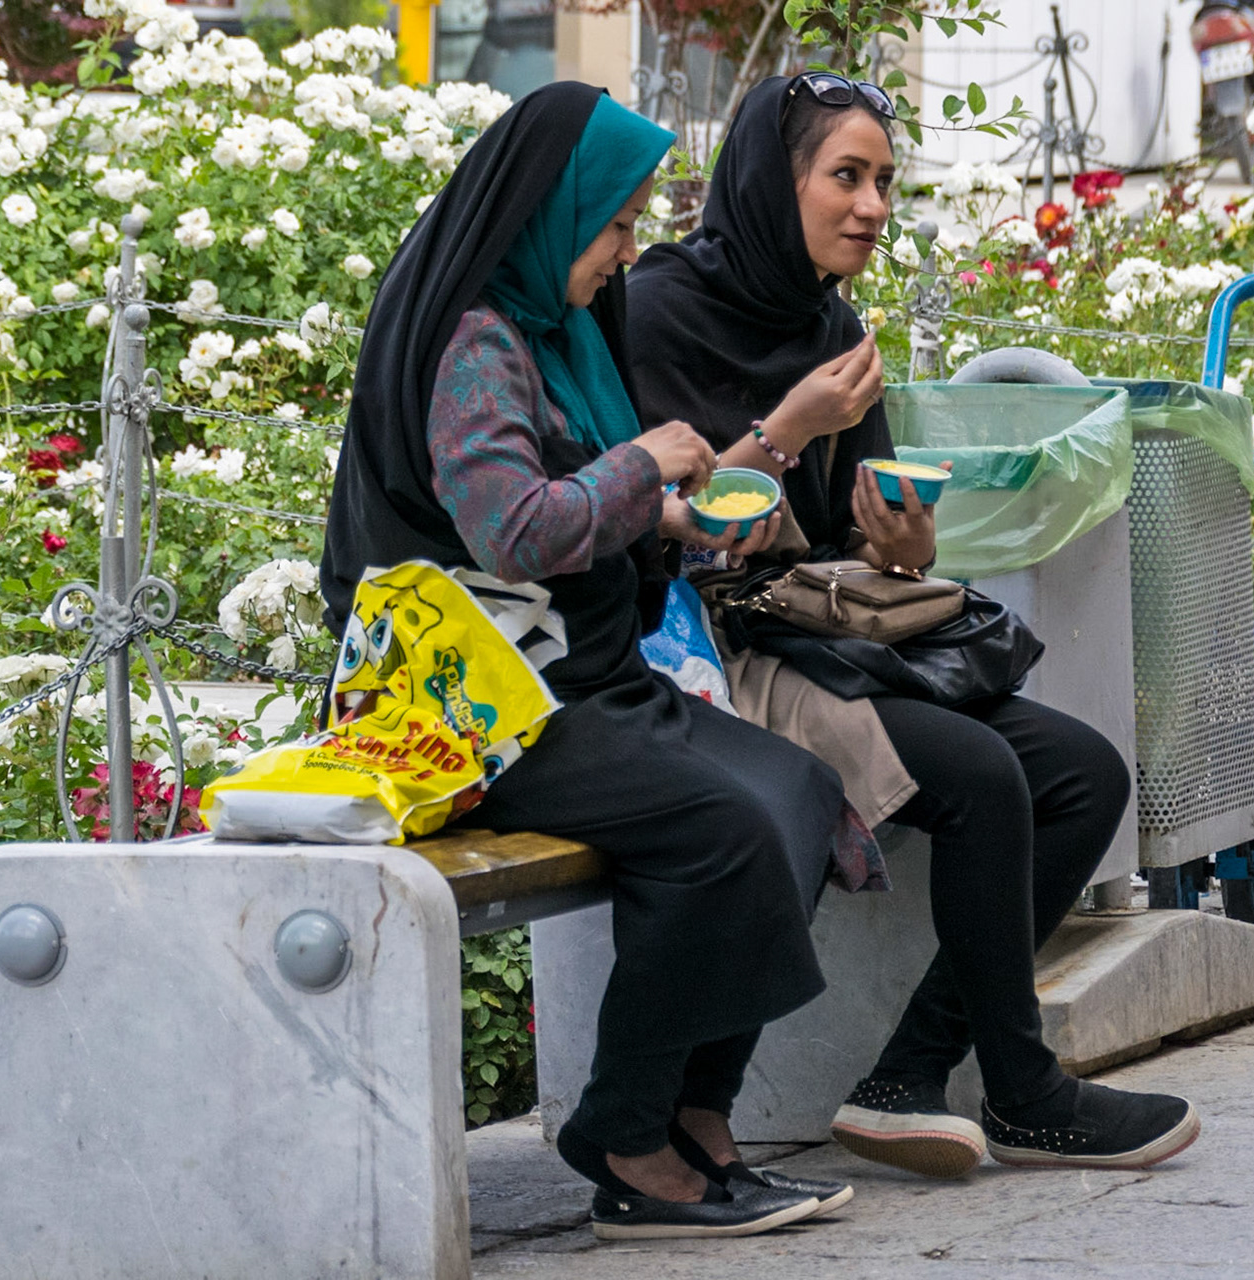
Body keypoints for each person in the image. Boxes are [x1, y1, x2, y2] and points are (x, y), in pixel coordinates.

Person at [627, 73, 1201, 1178]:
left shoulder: (830, 324)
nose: (873, 204)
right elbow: (661, 532)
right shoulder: (658, 312)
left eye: (885, 179)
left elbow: (861, 551)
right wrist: (788, 431)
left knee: (1083, 770)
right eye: (846, 176)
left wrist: (903, 548)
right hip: (709, 656)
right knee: (985, 774)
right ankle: (1024, 1089)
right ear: (770, 179)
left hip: (825, 634)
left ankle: (910, 1073)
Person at [318, 81, 854, 1239]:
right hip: (484, 711)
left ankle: (695, 1116)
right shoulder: (473, 343)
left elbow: (565, 507)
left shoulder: (549, 331)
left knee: (804, 790)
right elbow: (510, 527)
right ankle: (623, 1136)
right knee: (722, 831)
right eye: (612, 225)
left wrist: (668, 522)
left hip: (580, 678)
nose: (623, 253)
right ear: (548, 214)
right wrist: (647, 465)